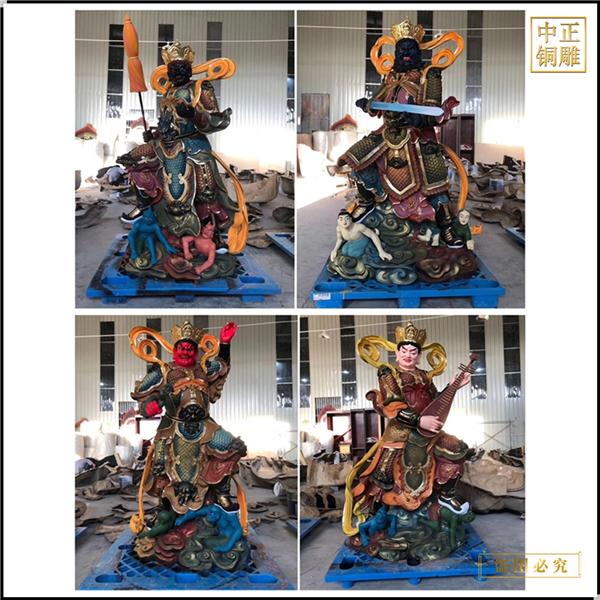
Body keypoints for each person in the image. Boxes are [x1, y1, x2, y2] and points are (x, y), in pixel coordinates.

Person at [335, 18, 463, 247]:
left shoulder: (429, 74)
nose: (405, 53)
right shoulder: (389, 76)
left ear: (418, 52)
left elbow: (433, 110)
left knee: (436, 182)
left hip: (417, 136)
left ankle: (446, 229)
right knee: (355, 159)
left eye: (410, 49)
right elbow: (379, 104)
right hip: (387, 132)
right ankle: (366, 202)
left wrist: (418, 118)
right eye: (401, 49)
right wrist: (367, 104)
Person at [118, 41, 242, 252]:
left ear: (190, 69)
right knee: (131, 160)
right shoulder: (168, 92)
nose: (177, 73)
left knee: (205, 192)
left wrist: (193, 115)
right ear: (167, 72)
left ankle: (213, 237)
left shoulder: (200, 88)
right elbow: (168, 124)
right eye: (173, 69)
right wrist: (153, 134)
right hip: (165, 145)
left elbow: (217, 119)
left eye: (182, 68)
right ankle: (145, 207)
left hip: (193, 146)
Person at [351, 321, 474, 517]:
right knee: (385, 471)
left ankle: (446, 496)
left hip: (428, 428)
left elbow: (435, 402)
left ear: (419, 356)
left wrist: (452, 387)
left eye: (413, 352)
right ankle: (378, 510)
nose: (408, 355)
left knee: (457, 447)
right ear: (397, 353)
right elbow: (393, 404)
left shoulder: (425, 376)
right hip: (401, 429)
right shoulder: (388, 372)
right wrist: (419, 421)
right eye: (404, 351)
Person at [131, 319, 247, 518]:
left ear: (196, 351)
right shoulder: (163, 371)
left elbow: (222, 367)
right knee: (162, 464)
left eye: (189, 348)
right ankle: (165, 505)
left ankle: (221, 493)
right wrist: (150, 405)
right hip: (173, 428)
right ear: (175, 350)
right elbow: (142, 396)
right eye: (181, 348)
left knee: (234, 447)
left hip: (205, 426)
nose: (185, 352)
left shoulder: (203, 369)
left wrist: (225, 343)